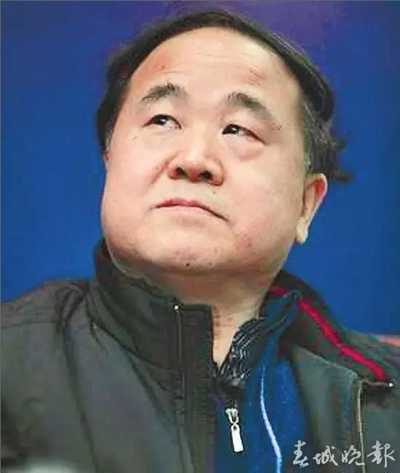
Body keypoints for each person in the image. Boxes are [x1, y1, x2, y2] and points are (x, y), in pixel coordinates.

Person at [2, 9, 399, 473]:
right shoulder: (12, 367)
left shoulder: (384, 397)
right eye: (163, 120)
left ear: (306, 205)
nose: (194, 159)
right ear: (110, 160)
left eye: (238, 130)